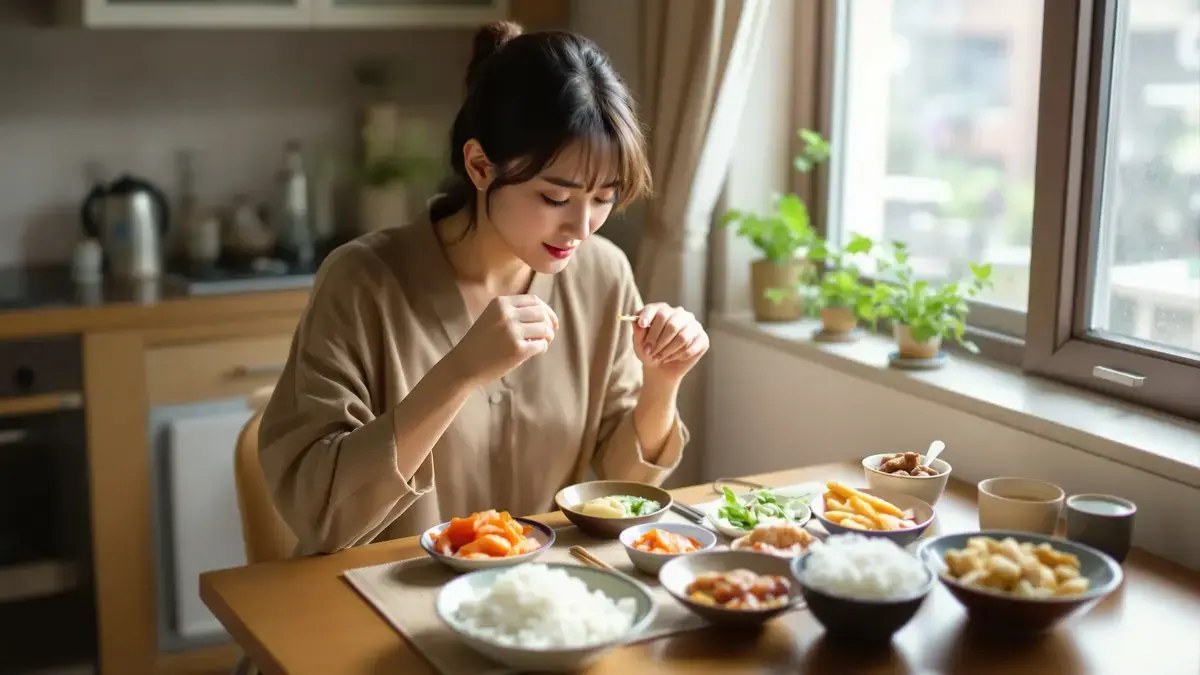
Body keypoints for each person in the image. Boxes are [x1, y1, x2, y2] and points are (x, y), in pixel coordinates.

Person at [258, 20, 709, 556]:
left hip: (530, 605)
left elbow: (621, 487)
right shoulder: (361, 281)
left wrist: (661, 382)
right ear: (479, 166)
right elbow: (320, 511)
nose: (582, 227)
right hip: (377, 596)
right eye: (555, 198)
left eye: (604, 198)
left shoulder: (603, 274)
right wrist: (458, 372)